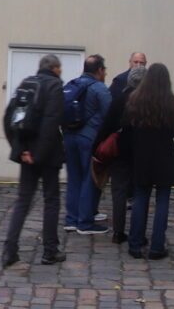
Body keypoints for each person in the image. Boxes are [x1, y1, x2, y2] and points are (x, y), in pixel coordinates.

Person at [2, 54, 66, 267]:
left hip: (27, 151)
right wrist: (37, 155)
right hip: (47, 155)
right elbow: (51, 123)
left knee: (23, 201)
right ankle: (50, 251)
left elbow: (9, 117)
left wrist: (21, 150)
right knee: (51, 201)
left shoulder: (26, 84)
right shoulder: (55, 87)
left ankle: (9, 250)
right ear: (55, 69)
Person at [121, 62, 174, 260]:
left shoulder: (135, 101)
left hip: (142, 155)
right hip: (164, 155)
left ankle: (136, 244)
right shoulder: (173, 103)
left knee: (140, 198)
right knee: (162, 200)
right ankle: (157, 246)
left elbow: (126, 127)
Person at [96, 65, 146, 244]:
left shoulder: (120, 99)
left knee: (119, 192)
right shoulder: (150, 102)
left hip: (121, 151)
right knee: (140, 192)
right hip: (142, 153)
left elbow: (107, 125)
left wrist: (96, 147)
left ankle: (118, 231)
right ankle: (137, 232)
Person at [63, 54, 112, 234]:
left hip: (69, 137)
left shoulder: (72, 84)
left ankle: (71, 219)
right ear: (99, 71)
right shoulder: (100, 88)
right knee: (88, 178)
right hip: (88, 139)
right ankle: (85, 222)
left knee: (74, 178)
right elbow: (110, 115)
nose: (105, 73)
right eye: (104, 70)